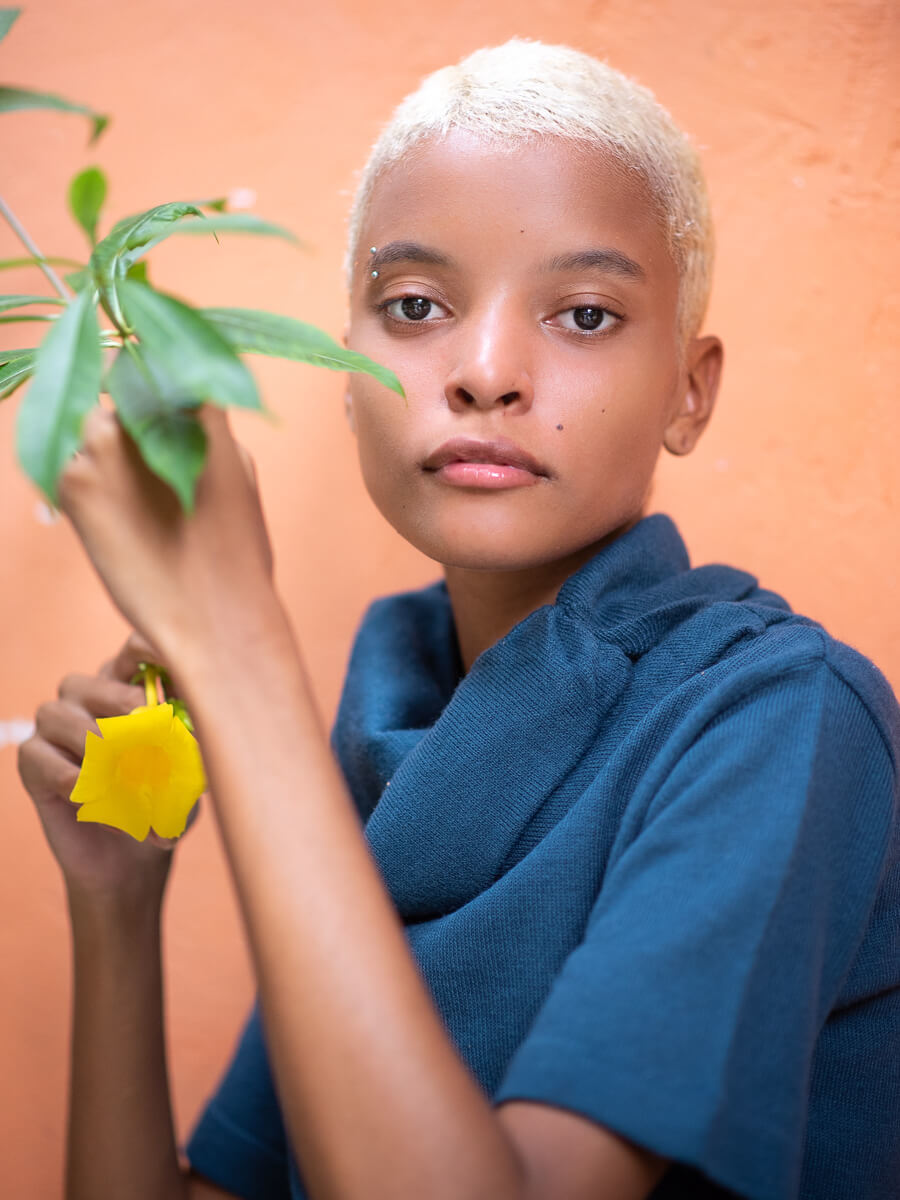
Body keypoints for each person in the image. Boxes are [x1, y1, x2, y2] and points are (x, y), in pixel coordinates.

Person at [17, 39, 899, 1200]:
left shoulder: (780, 720)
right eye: (417, 305)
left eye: (584, 315)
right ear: (344, 373)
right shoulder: (394, 710)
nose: (486, 371)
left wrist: (236, 650)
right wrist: (114, 907)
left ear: (690, 391)